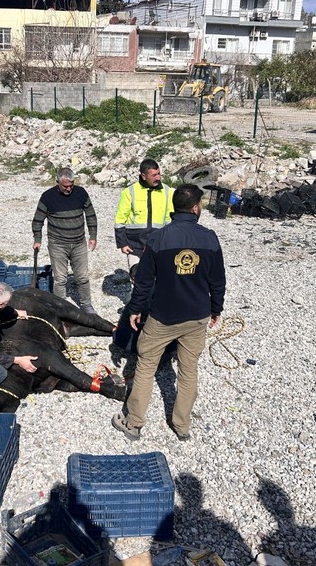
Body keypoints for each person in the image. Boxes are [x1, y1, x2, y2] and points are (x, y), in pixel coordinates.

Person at [111, 184, 226, 442]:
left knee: (145, 367)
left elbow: (143, 281)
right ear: (196, 208)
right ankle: (182, 426)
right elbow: (218, 280)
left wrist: (136, 309)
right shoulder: (210, 238)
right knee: (188, 371)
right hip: (197, 316)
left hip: (162, 316)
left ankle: (134, 422)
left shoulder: (158, 239)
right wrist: (216, 308)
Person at [32, 167, 98, 313]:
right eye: (65, 186)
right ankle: (60, 308)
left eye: (71, 185)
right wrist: (38, 238)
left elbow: (90, 215)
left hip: (79, 242)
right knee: (60, 279)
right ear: (58, 183)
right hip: (57, 244)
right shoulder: (47, 197)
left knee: (82, 277)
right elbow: (38, 220)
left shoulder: (81, 193)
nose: (69, 189)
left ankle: (86, 305)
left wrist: (93, 235)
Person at [114, 159, 174, 264]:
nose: (158, 177)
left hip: (158, 245)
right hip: (134, 246)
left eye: (159, 174)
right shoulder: (129, 192)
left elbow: (170, 218)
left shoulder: (167, 191)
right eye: (154, 175)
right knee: (137, 277)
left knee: (159, 278)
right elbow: (120, 219)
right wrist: (122, 243)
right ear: (143, 176)